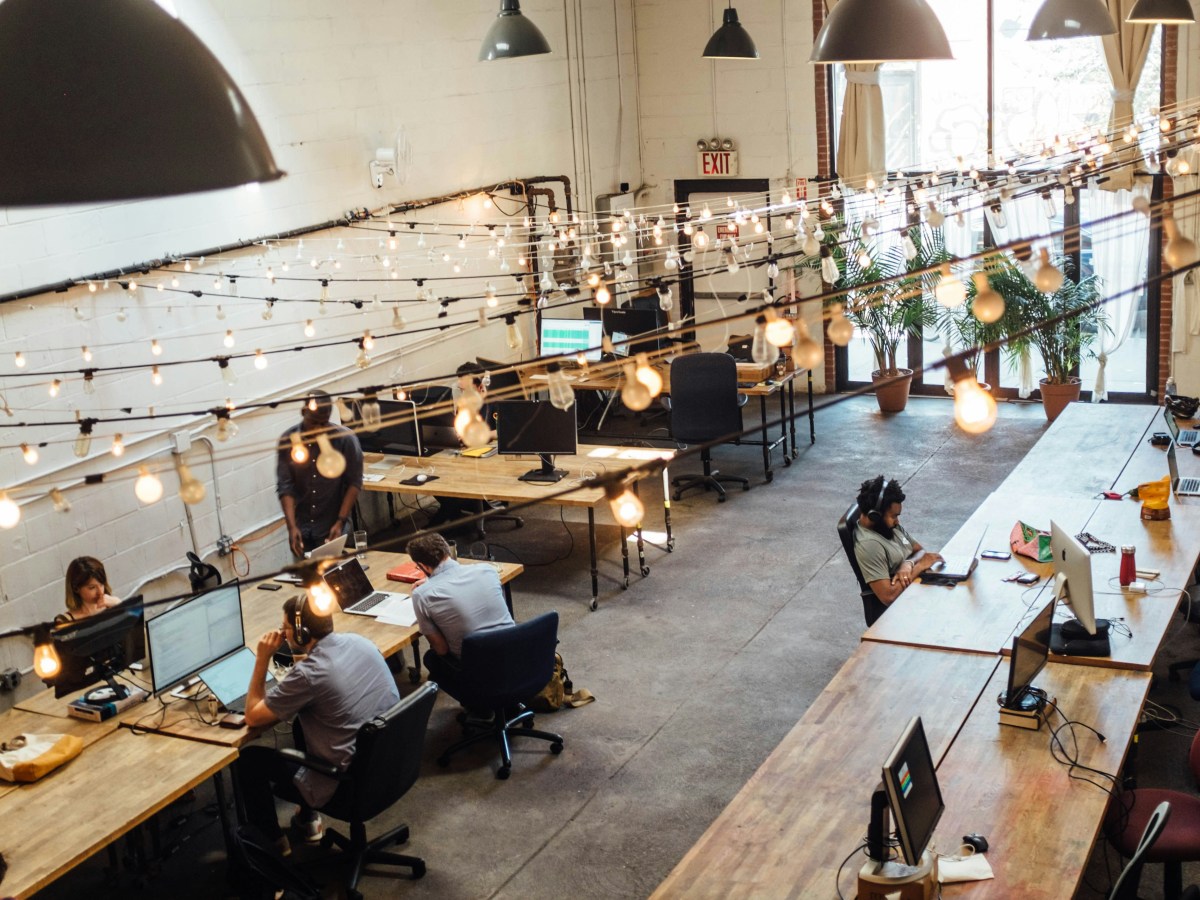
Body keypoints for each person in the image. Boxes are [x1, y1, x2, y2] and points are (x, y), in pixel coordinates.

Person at [238, 595, 399, 855]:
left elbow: (253, 717)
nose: (283, 634)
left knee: (249, 761)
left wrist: (262, 659)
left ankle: (274, 845)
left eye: (286, 628)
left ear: (301, 632)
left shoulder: (309, 675)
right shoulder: (359, 642)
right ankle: (308, 821)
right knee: (303, 725)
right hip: (389, 766)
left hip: (347, 785)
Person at [407, 533, 514, 704]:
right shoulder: (486, 570)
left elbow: (441, 649)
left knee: (432, 658)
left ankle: (480, 705)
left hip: (478, 668)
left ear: (422, 566)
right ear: (447, 551)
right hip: (515, 654)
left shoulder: (422, 595)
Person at [276, 389, 364, 557]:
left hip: (332, 523)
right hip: (302, 526)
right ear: (303, 412)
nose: (318, 429)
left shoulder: (345, 440)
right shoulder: (288, 440)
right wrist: (292, 526)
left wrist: (340, 521)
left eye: (323, 423)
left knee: (334, 574)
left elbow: (354, 483)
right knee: (307, 578)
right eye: (313, 422)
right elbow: (285, 486)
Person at [853, 475, 943, 609]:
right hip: (902, 607)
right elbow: (888, 597)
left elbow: (920, 551)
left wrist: (908, 563)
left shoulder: (886, 526)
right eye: (894, 516)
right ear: (875, 515)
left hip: (916, 590)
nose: (897, 521)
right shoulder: (869, 545)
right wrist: (919, 567)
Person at [427, 362, 495, 532]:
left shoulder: (491, 404)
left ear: (480, 388)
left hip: (487, 458)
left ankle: (438, 523)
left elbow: (502, 431)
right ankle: (452, 512)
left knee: (453, 478)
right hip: (464, 452)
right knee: (432, 472)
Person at [60, 556, 121, 622]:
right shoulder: (66, 621)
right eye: (92, 587)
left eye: (101, 584)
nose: (100, 592)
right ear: (76, 589)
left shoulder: (112, 606)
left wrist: (119, 604)